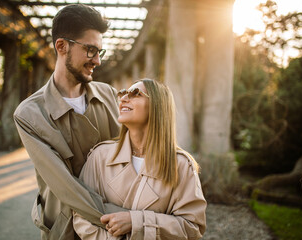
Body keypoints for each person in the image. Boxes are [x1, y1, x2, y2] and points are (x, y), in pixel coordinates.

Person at [13, 4, 127, 240]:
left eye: (100, 52)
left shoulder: (109, 95)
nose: (97, 60)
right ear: (62, 46)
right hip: (68, 231)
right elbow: (66, 186)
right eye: (90, 50)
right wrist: (130, 219)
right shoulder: (29, 114)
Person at [72, 79, 207, 239]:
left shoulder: (181, 165)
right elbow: (81, 214)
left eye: (135, 94)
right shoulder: (100, 156)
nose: (123, 99)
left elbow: (192, 228)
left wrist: (137, 222)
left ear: (158, 106)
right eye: (123, 93)